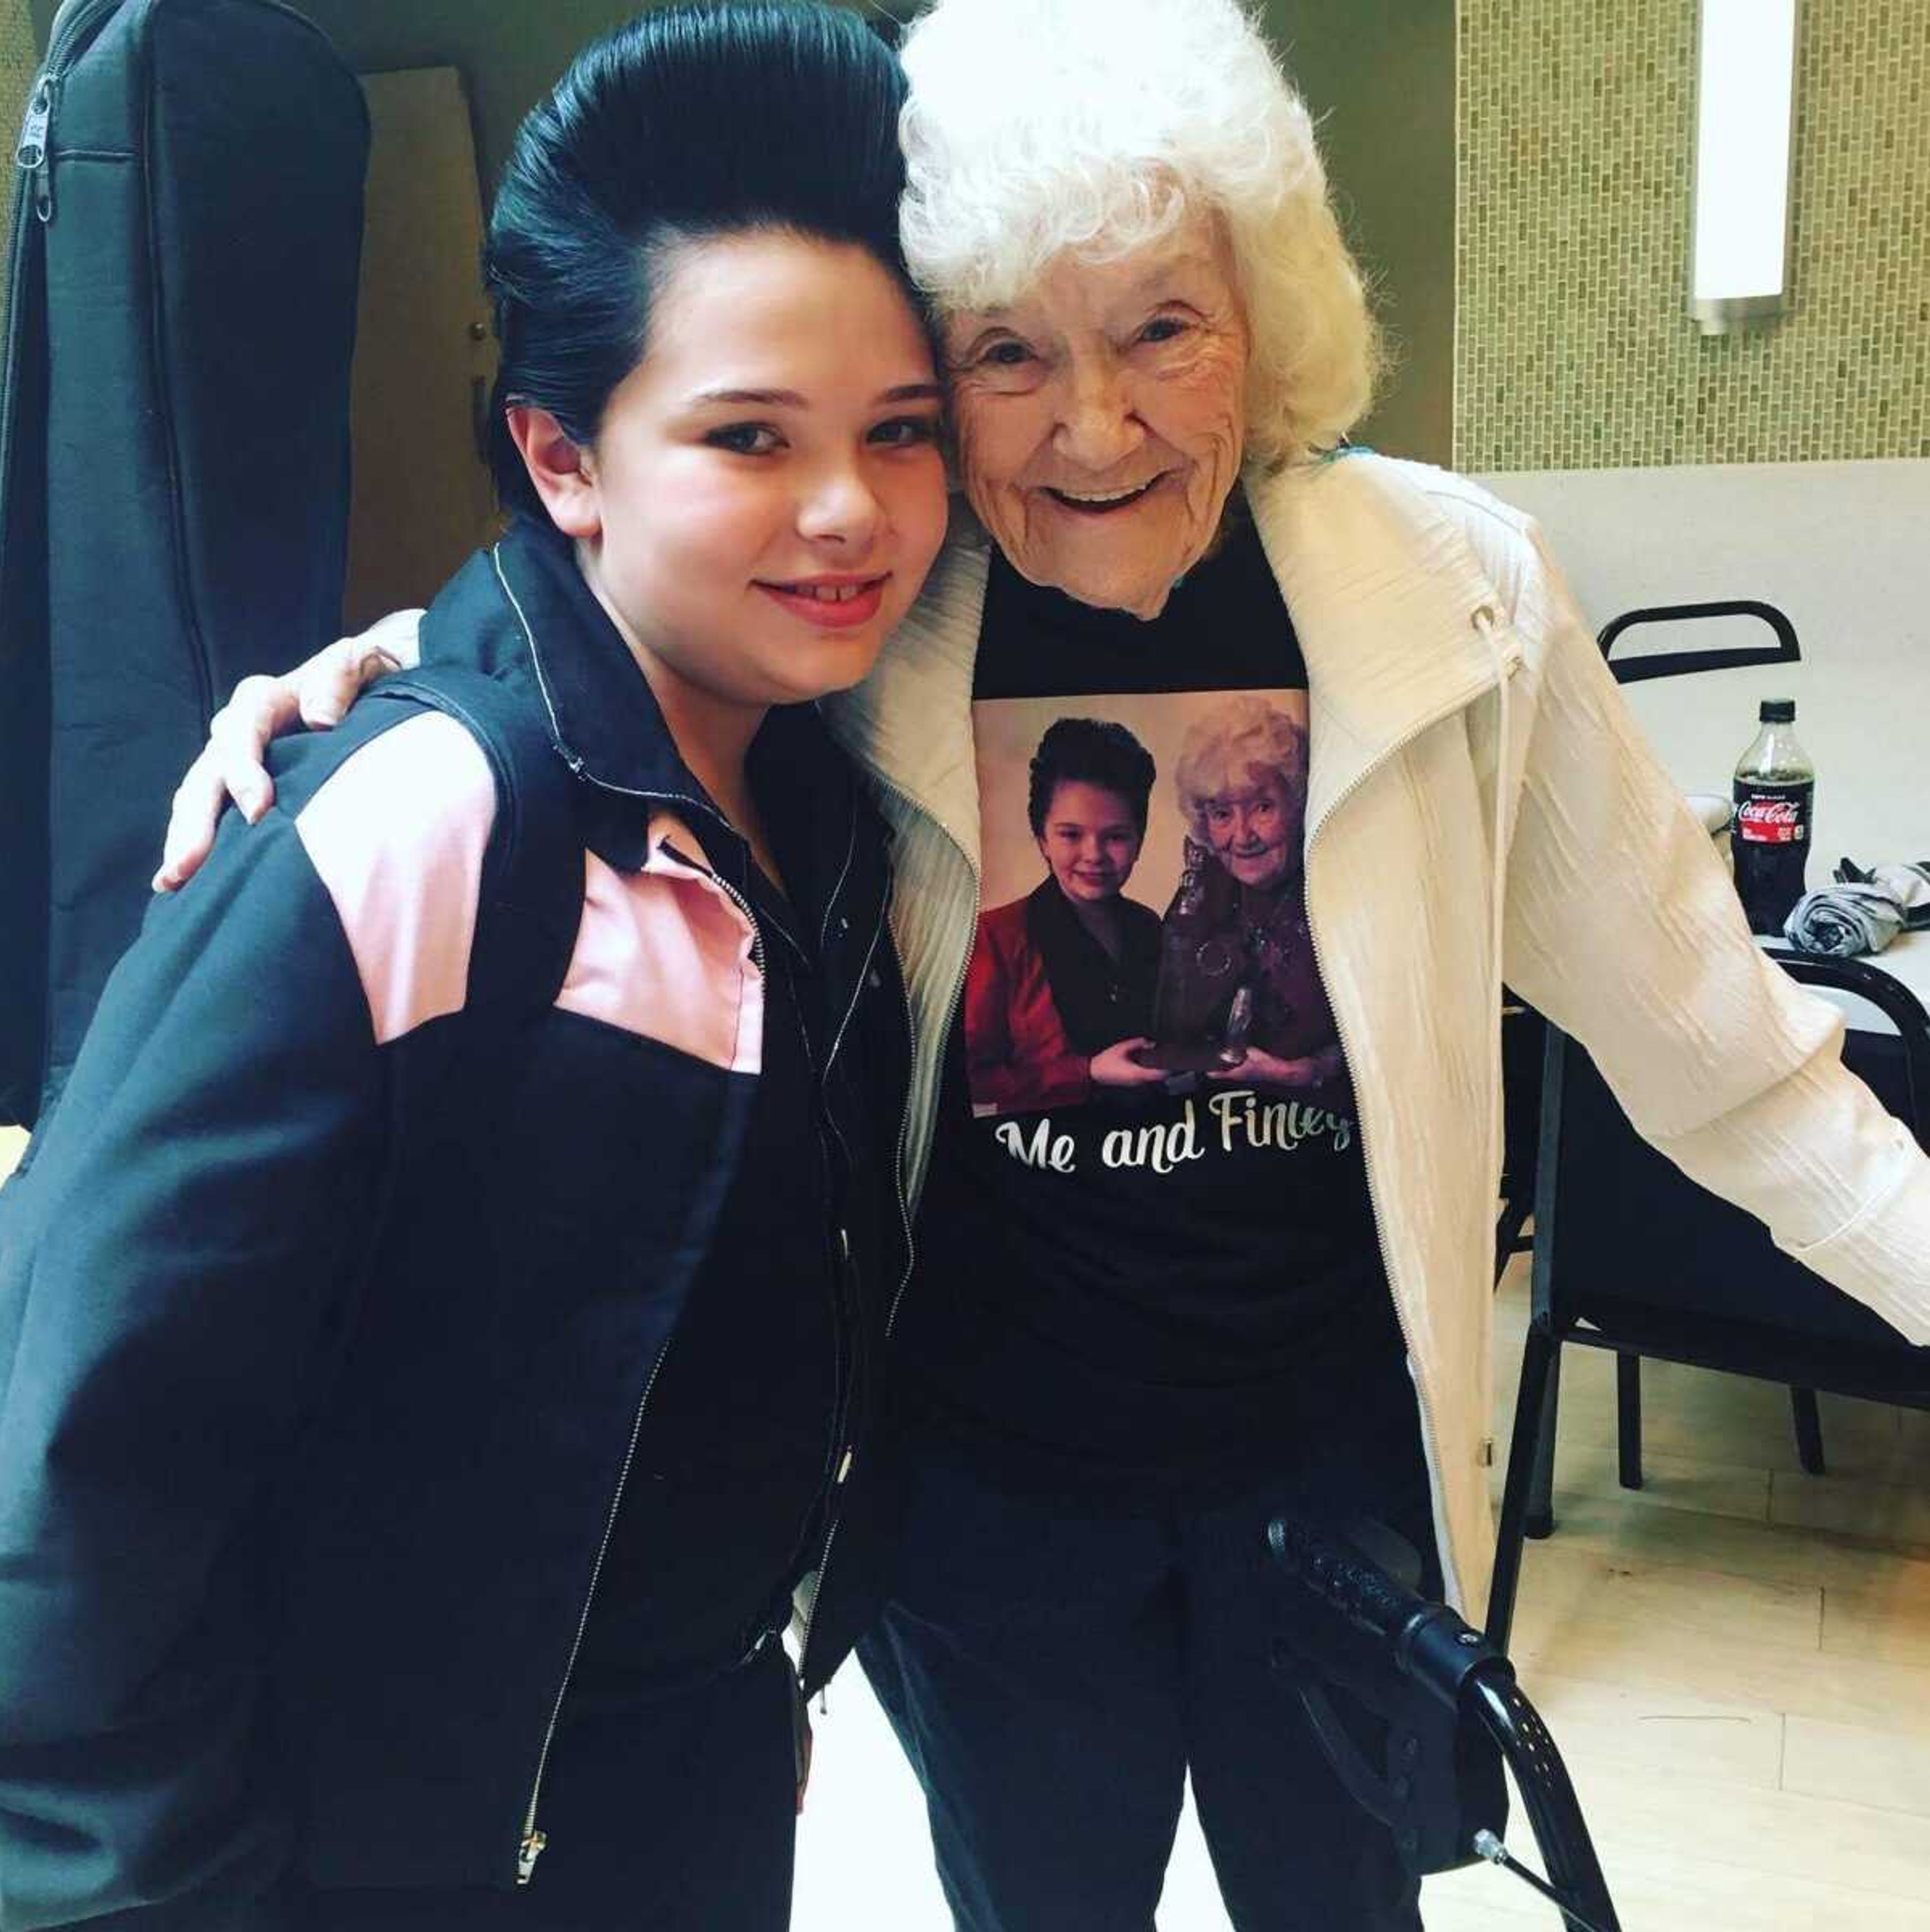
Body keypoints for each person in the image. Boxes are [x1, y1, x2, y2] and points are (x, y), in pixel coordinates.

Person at [156, 0, 1930, 1926]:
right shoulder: (888, 600)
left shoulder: (1460, 595)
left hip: (1329, 1479)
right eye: (1008, 351)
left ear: (1269, 313)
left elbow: (1732, 1061)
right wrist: (402, 666)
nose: (1094, 426)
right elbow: (634, 603)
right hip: (984, 1498)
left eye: (1164, 324)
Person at [0, 6, 949, 1928]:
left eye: (901, 433)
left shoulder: (842, 802)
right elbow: (68, 1472)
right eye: (750, 436)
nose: (851, 509)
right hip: (387, 1833)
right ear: (560, 456)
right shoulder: (418, 817)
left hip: (679, 1766)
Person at [1149, 693, 1348, 1093]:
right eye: (1222, 814)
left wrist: (1306, 1073)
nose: (1242, 837)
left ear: (1297, 803)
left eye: (1262, 807)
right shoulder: (1199, 893)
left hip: (1315, 1123)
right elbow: (1168, 1032)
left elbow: (1386, 1035)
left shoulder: (1339, 885)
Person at [964, 716, 1165, 1114]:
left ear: (1139, 841)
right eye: (1071, 834)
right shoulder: (995, 937)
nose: (1094, 855)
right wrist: (1087, 1071)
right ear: (1042, 838)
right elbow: (971, 1077)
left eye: (1116, 836)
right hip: (1049, 1158)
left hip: (1155, 1146)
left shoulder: (1150, 925)